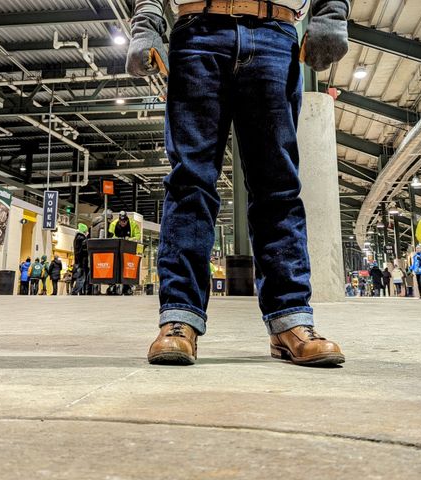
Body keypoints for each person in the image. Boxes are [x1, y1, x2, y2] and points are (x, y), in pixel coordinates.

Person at [127, 0, 349, 365]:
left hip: (275, 31)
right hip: (196, 31)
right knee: (190, 182)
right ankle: (179, 319)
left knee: (277, 185)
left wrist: (331, 13)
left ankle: (290, 321)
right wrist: (147, 22)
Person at [71, 223, 89, 295]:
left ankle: (76, 291)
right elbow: (83, 251)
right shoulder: (82, 239)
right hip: (81, 261)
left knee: (80, 277)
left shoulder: (76, 238)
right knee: (81, 278)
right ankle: (74, 291)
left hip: (78, 261)